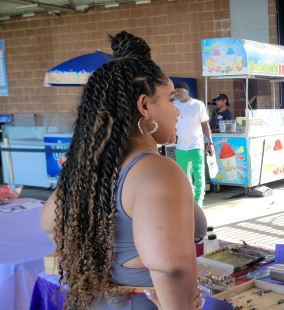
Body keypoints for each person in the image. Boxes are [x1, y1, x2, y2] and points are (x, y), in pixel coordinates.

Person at [39, 31, 205, 310]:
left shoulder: (91, 165)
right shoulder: (156, 170)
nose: (177, 112)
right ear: (144, 106)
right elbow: (171, 268)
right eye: (169, 100)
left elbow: (49, 222)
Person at [173, 81, 214, 207]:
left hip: (196, 145)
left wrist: (210, 142)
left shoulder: (198, 105)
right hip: (180, 146)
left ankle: (198, 200)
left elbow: (205, 125)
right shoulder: (173, 105)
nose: (177, 93)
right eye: (176, 90)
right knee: (184, 176)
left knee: (198, 174)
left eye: (180, 90)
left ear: (187, 91)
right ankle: (189, 201)